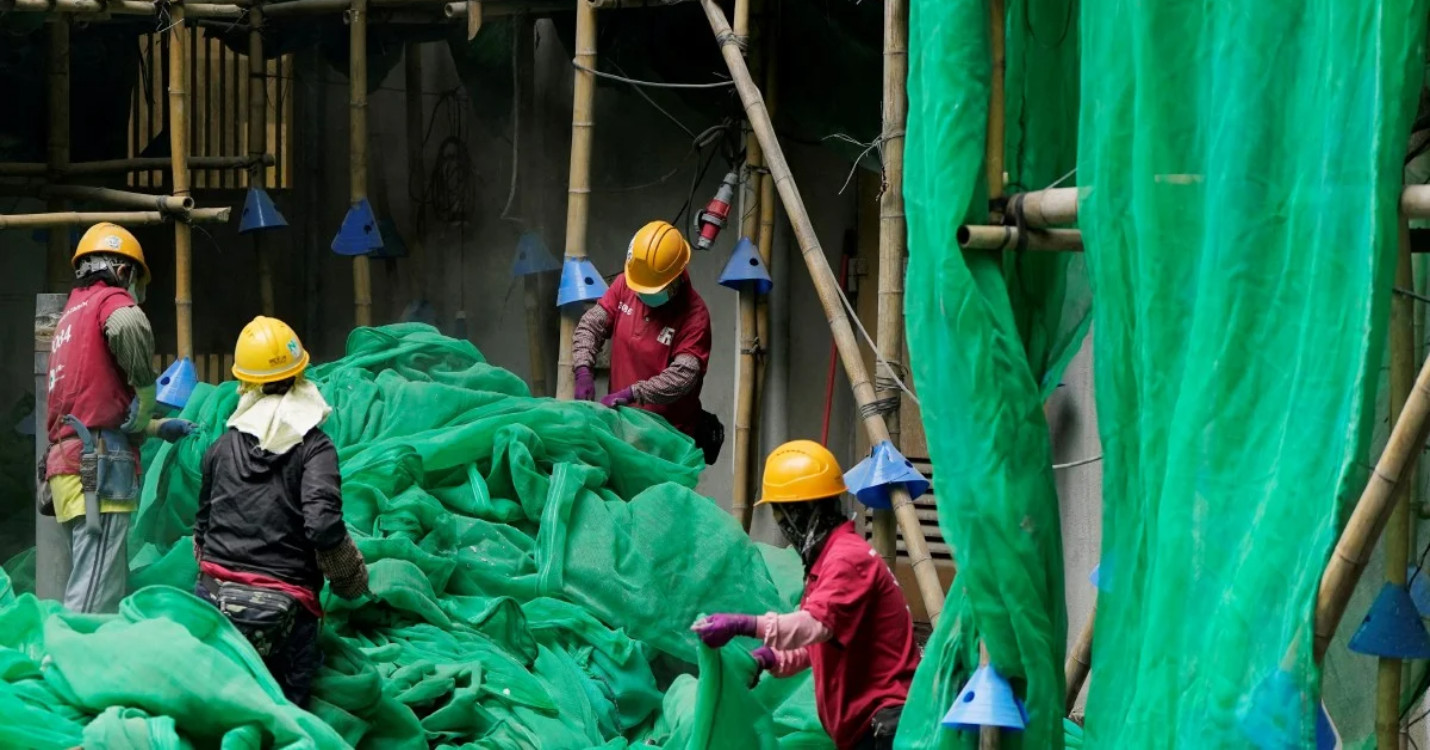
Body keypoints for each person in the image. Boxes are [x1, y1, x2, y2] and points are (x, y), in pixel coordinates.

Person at [691, 440, 919, 750]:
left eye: (781, 515)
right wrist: (767, 658)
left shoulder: (847, 558)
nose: (782, 526)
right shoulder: (824, 563)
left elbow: (814, 626)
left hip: (885, 724)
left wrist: (741, 624)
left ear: (802, 512)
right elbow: (816, 645)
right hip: (864, 727)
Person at [193, 316, 370, 707]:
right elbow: (323, 526)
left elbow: (201, 532)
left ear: (245, 384)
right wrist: (349, 576)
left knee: (217, 709)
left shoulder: (220, 447)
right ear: (301, 375)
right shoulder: (314, 448)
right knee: (287, 716)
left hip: (214, 604)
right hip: (286, 614)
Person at [42, 222, 196, 614]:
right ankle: (69, 666)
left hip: (68, 466)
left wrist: (158, 428)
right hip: (98, 472)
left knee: (97, 579)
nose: (136, 295)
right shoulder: (111, 303)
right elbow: (128, 324)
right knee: (92, 599)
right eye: (136, 283)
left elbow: (94, 405)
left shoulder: (70, 318)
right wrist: (146, 398)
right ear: (124, 271)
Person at [571, 220, 722, 463]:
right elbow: (592, 324)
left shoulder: (694, 316)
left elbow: (683, 376)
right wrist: (582, 369)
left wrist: (635, 392)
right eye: (638, 288)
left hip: (667, 440)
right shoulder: (626, 285)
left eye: (649, 290)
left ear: (674, 281)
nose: (640, 294)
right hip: (622, 429)